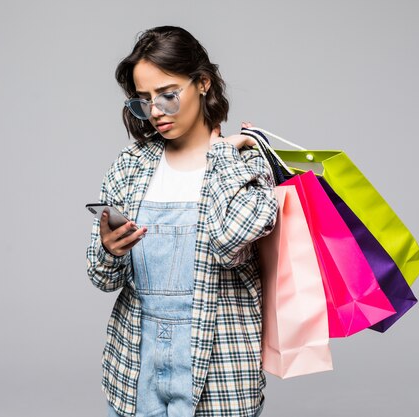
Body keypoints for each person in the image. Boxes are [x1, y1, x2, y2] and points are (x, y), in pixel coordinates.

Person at [86, 26, 278, 417]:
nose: (155, 111)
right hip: (137, 365)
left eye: (167, 95)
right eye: (143, 100)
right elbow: (101, 277)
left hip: (220, 370)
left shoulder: (247, 163)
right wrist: (109, 250)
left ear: (203, 83)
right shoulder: (132, 165)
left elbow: (228, 243)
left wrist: (222, 154)